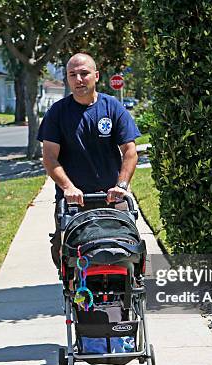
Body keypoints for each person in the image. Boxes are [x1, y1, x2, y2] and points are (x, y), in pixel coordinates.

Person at [38, 53, 140, 269]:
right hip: (74, 201)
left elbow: (130, 151)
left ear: (96, 75)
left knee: (129, 250)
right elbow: (49, 157)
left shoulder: (112, 107)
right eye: (72, 75)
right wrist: (68, 188)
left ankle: (131, 289)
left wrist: (121, 186)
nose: (78, 79)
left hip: (111, 197)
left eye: (84, 73)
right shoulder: (57, 113)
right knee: (65, 254)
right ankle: (76, 295)